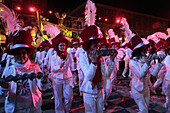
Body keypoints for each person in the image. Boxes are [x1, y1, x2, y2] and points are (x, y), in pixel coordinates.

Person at [0, 30, 49, 113]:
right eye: (18, 53)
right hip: (15, 109)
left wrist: (44, 81)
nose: (21, 56)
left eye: (23, 53)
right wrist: (4, 87)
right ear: (14, 55)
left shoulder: (35, 68)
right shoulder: (8, 70)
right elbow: (2, 94)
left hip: (33, 108)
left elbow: (42, 88)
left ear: (28, 54)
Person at [79, 25, 117, 113]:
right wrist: (93, 63)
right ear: (89, 44)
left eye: (98, 42)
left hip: (100, 89)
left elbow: (107, 74)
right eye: (94, 42)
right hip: (89, 91)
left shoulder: (101, 57)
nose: (97, 44)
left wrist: (112, 60)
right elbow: (89, 77)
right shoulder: (83, 58)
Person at [128, 35, 164, 113]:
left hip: (145, 88)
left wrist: (159, 64)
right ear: (138, 50)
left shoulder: (145, 60)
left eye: (145, 48)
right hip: (137, 89)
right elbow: (140, 75)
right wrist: (147, 64)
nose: (146, 50)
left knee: (145, 109)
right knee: (143, 110)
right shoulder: (132, 62)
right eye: (144, 49)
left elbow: (154, 74)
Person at [50, 33, 76, 113]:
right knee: (58, 97)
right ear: (57, 46)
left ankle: (67, 109)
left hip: (67, 78)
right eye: (61, 45)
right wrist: (59, 67)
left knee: (69, 96)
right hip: (57, 78)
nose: (62, 47)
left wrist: (75, 62)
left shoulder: (68, 55)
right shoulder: (54, 56)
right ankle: (59, 111)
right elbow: (52, 69)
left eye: (64, 45)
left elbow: (73, 66)